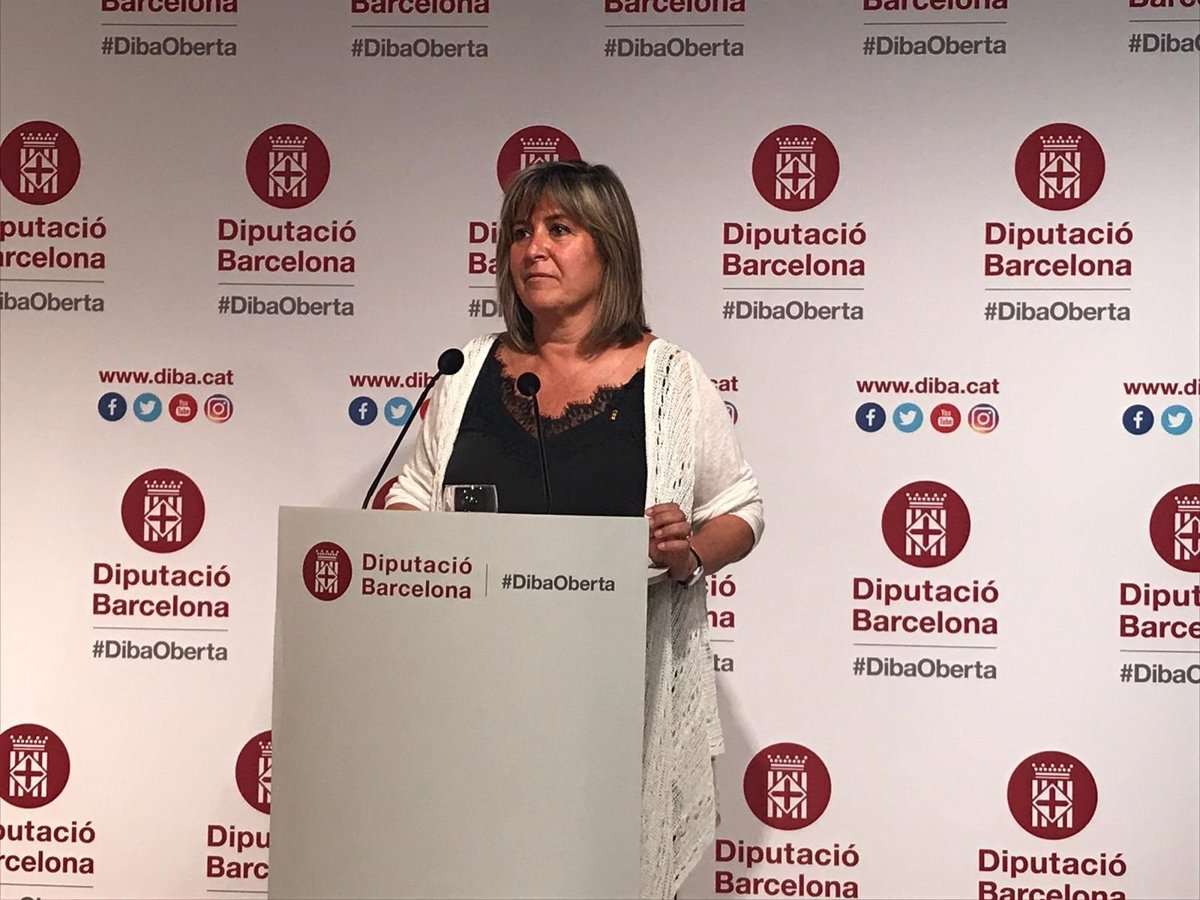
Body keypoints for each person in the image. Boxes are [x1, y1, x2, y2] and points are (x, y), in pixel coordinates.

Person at [386, 159, 763, 898]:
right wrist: (408, 542)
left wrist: (688, 552)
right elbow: (413, 495)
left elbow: (740, 508)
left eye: (559, 229)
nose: (534, 248)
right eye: (520, 232)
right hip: (472, 693)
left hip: (611, 706)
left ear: (608, 247)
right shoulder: (465, 371)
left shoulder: (669, 377)